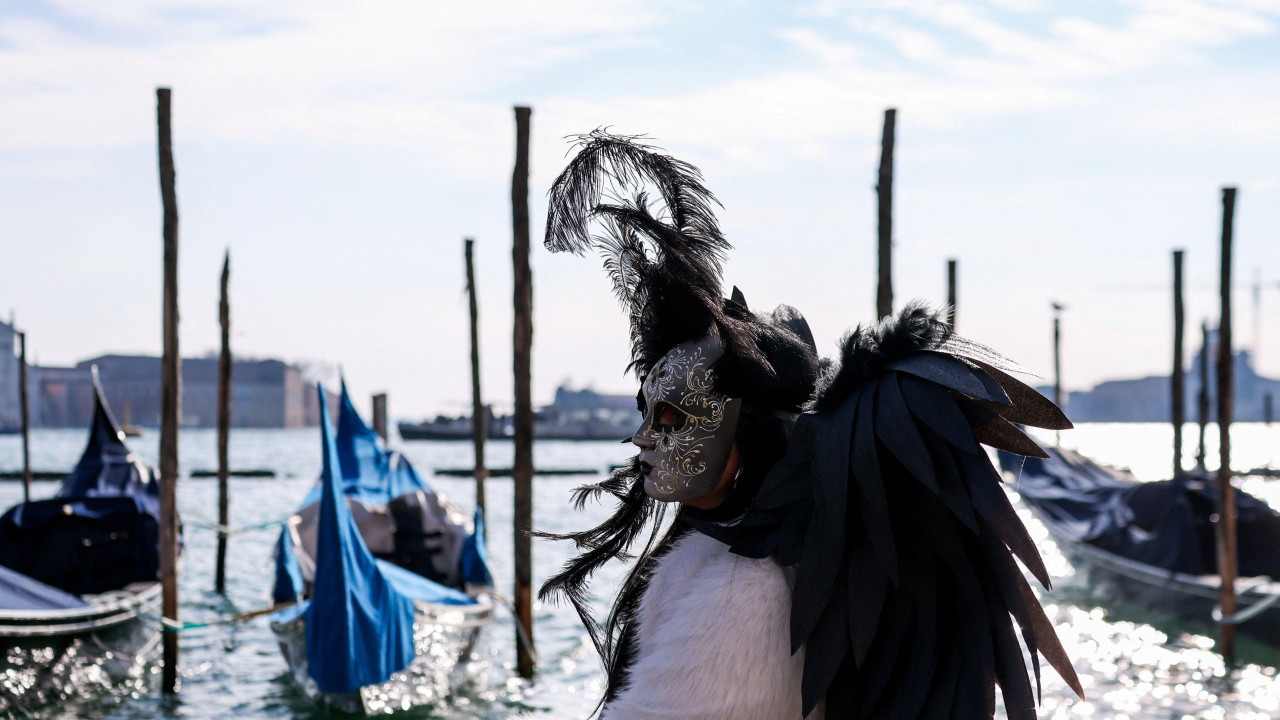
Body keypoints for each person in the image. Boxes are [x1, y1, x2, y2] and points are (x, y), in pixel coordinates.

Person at [538, 131, 1083, 720]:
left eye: (670, 416)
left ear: (746, 437)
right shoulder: (749, 560)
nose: (644, 438)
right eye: (645, 416)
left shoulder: (742, 593)